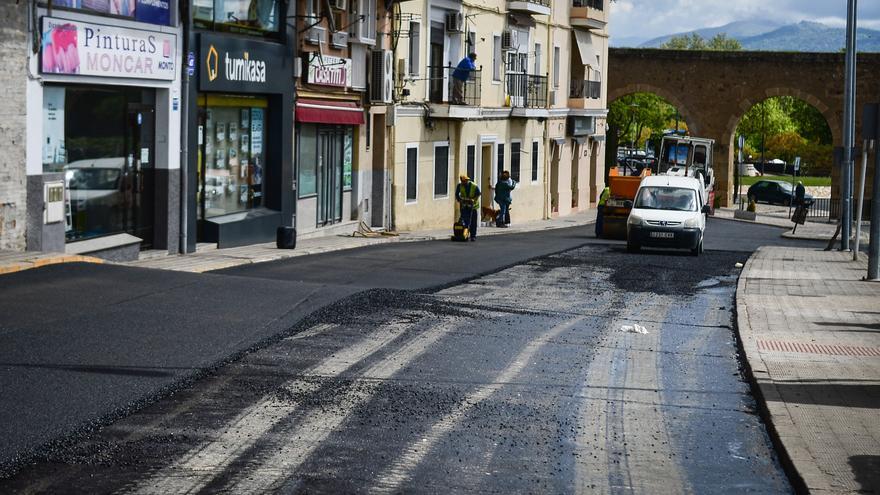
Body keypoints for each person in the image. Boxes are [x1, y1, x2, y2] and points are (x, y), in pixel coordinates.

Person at [455, 174, 481, 241]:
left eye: (465, 181)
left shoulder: (474, 186)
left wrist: (473, 200)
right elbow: (457, 194)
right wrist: (459, 200)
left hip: (473, 206)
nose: (464, 183)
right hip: (464, 206)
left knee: (473, 222)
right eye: (463, 181)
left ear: (467, 180)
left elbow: (478, 194)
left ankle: (473, 236)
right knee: (464, 221)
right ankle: (464, 234)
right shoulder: (460, 186)